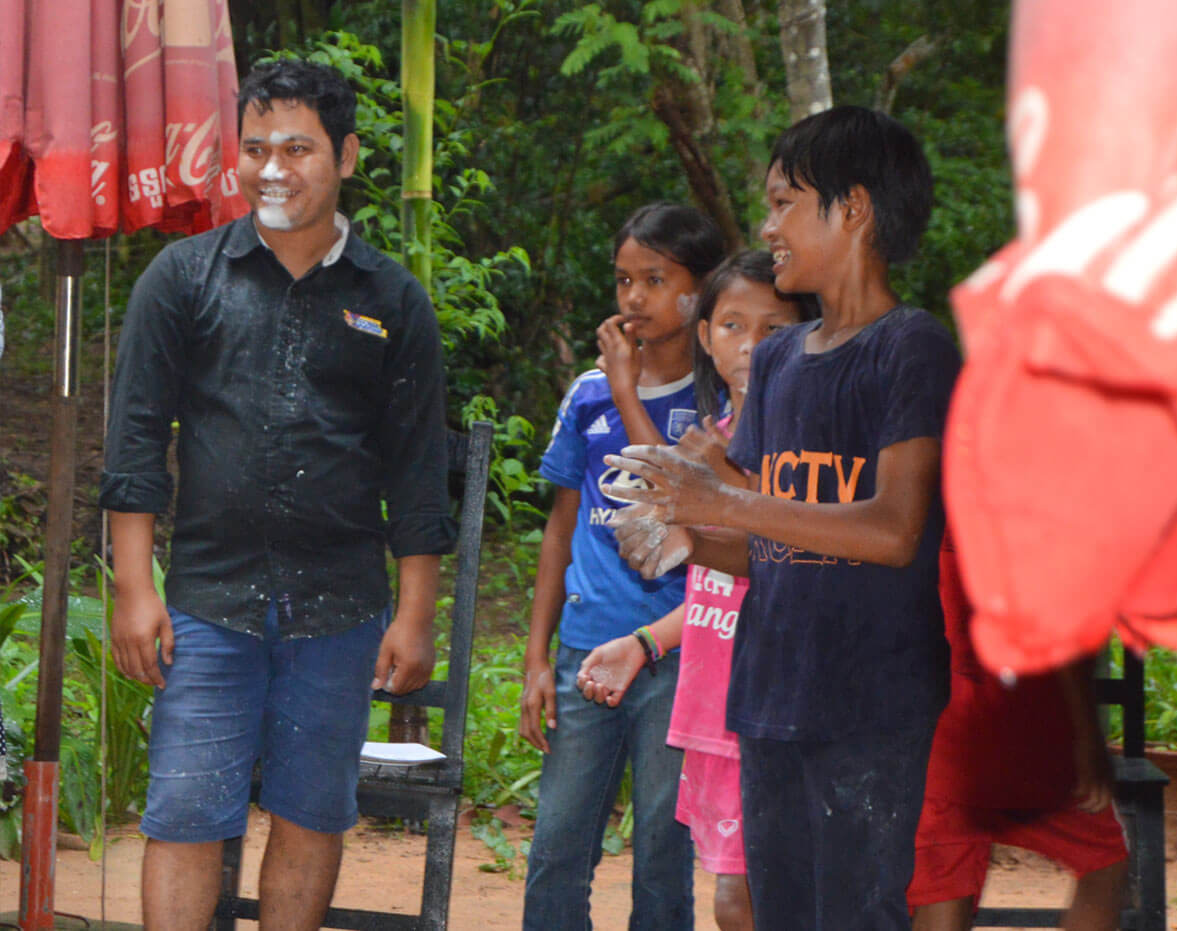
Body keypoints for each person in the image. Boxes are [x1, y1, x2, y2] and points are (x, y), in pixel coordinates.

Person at [99, 59, 455, 930]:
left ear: (348, 155)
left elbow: (415, 468)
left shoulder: (392, 301)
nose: (271, 169)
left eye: (297, 148)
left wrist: (415, 613)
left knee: (311, 812)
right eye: (255, 147)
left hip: (340, 610)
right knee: (185, 812)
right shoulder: (183, 279)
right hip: (207, 603)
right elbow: (135, 444)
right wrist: (135, 588)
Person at [603, 105, 963, 930]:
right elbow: (767, 544)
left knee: (858, 914)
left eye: (784, 202)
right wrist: (682, 528)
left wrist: (722, 500)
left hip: (871, 699)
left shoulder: (911, 347)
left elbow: (894, 529)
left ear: (855, 208)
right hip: (769, 691)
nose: (767, 225)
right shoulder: (777, 361)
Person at [574, 251, 819, 931]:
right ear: (706, 336)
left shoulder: (808, 447)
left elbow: (792, 558)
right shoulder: (712, 440)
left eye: (773, 329)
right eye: (734, 325)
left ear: (806, 338)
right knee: (736, 896)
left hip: (777, 709)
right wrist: (644, 642)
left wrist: (704, 507)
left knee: (756, 899)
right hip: (714, 706)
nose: (751, 346)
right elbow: (717, 586)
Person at [518, 202, 725, 930]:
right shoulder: (586, 392)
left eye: (655, 279)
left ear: (702, 291)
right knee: (556, 846)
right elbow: (561, 526)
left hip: (682, 653)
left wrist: (630, 390)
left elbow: (682, 510)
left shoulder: (720, 402)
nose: (634, 297)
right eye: (623, 280)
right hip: (586, 652)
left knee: (663, 854)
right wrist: (536, 656)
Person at [907, 537, 1127, 930]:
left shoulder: (929, 493)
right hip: (1019, 729)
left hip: (938, 724)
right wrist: (1086, 738)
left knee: (944, 884)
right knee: (1106, 866)